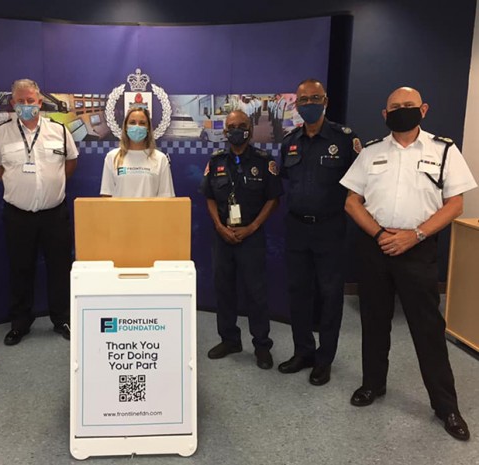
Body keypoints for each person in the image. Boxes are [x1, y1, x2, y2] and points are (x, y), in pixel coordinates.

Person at [340, 86, 476, 441]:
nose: (402, 110)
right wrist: (380, 234)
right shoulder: (371, 152)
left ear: (423, 109)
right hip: (377, 247)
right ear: (385, 115)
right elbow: (352, 201)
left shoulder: (443, 150)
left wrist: (413, 235)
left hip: (418, 249)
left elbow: (455, 204)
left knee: (428, 329)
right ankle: (373, 384)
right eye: (395, 107)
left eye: (408, 105)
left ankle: (446, 406)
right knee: (374, 321)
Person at [278, 79, 361, 386]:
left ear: (325, 101)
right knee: (298, 292)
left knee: (330, 295)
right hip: (297, 227)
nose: (309, 104)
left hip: (330, 228)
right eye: (303, 100)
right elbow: (286, 178)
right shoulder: (290, 141)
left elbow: (360, 183)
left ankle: (324, 359)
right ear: (296, 105)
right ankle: (303, 351)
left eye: (315, 98)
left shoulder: (345, 139)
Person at [0, 79, 78, 345]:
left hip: (54, 214)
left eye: (31, 101)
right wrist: (18, 184)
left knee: (60, 269)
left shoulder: (59, 131)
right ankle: (20, 323)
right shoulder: (2, 133)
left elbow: (70, 163)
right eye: (21, 101)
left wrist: (52, 184)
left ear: (39, 102)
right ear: (13, 103)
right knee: (20, 269)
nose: (26, 105)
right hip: (18, 215)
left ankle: (62, 319)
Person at [201, 110, 283, 369]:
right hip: (222, 236)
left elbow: (273, 199)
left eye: (241, 125)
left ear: (250, 129)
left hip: (251, 237)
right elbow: (209, 196)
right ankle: (229, 340)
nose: (236, 130)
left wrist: (253, 227)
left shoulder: (264, 161)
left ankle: (262, 345)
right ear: (225, 131)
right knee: (224, 290)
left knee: (256, 293)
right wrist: (219, 226)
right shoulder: (216, 161)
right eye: (231, 126)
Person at [100, 107, 175, 197]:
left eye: (142, 123)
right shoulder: (112, 157)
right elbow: (106, 196)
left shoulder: (160, 159)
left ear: (148, 128)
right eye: (132, 122)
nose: (137, 126)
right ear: (126, 127)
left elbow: (166, 197)